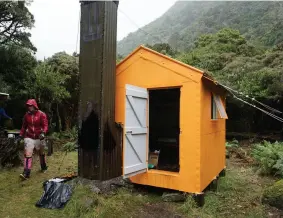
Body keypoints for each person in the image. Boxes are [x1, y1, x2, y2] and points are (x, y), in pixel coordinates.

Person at [18, 99, 48, 180]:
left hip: (39, 137)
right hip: (29, 136)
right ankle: (26, 173)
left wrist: (43, 133)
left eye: (30, 105)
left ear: (34, 106)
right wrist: (20, 135)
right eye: (28, 106)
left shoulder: (41, 114)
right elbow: (24, 126)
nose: (29, 107)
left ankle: (43, 167)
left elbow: (45, 125)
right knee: (28, 154)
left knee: (41, 153)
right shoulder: (26, 116)